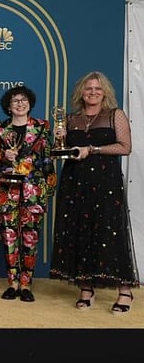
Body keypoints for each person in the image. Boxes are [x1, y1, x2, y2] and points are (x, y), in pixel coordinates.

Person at [51, 71, 138, 313]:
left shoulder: (115, 115)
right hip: (75, 182)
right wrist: (60, 140)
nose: (92, 92)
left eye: (97, 89)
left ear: (105, 92)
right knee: (80, 231)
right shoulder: (71, 119)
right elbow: (63, 151)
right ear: (81, 92)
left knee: (111, 232)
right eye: (88, 88)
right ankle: (86, 289)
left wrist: (93, 149)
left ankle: (125, 291)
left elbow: (125, 147)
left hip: (105, 183)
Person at [0, 86, 56, 302]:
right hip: (7, 190)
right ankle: (13, 283)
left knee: (30, 237)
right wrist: (3, 155)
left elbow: (48, 158)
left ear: (30, 103)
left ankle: (26, 284)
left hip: (33, 190)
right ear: (8, 106)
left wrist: (48, 187)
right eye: (15, 101)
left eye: (23, 100)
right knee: (9, 237)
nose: (20, 104)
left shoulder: (42, 126)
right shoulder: (0, 129)